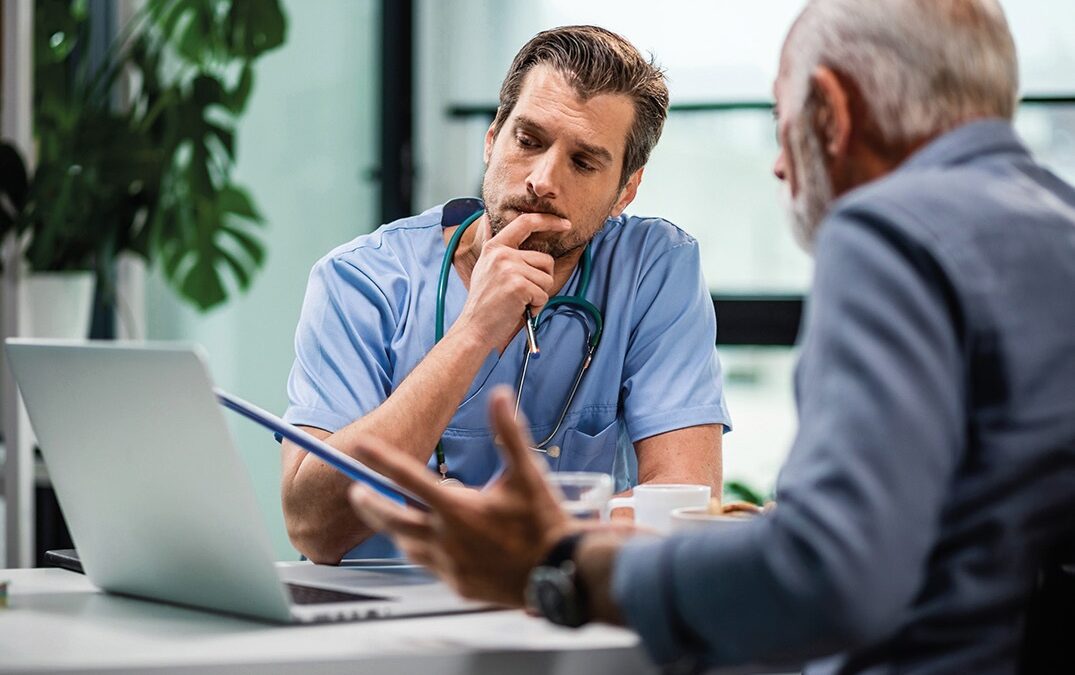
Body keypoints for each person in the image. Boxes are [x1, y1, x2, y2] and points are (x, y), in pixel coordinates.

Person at [346, 0, 1075, 672]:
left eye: (781, 121)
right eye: (528, 139)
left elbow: (830, 573)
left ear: (829, 111)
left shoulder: (888, 230)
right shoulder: (1057, 225)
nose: (780, 165)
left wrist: (564, 565)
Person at [282, 26, 731, 563]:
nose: (542, 179)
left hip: (559, 606)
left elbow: (684, 504)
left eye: (584, 161)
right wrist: (474, 332)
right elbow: (313, 527)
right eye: (529, 140)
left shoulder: (651, 269)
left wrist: (524, 537)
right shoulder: (360, 280)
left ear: (626, 191)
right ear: (493, 139)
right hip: (380, 612)